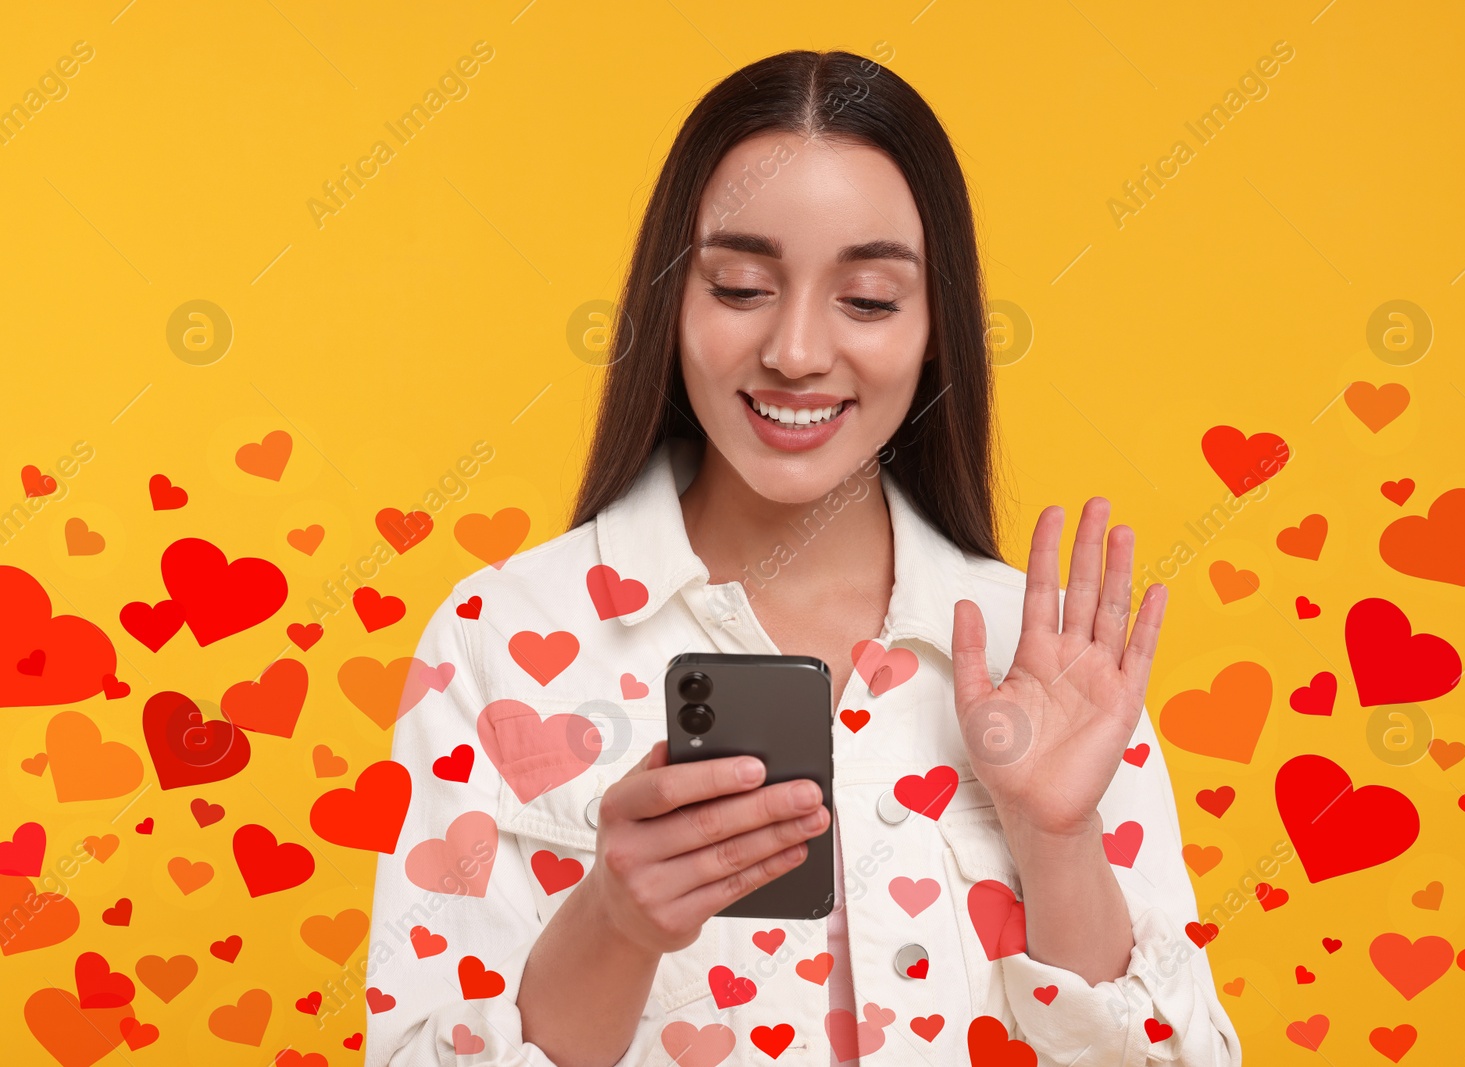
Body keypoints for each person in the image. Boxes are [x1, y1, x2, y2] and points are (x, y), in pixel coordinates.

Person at [366, 49, 1242, 1067]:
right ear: (671, 303)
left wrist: (1055, 839)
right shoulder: (500, 639)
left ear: (932, 333)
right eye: (739, 284)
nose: (793, 348)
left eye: (867, 300)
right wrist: (613, 918)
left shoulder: (1038, 656)